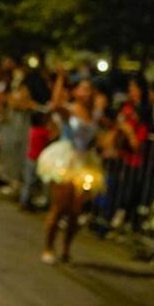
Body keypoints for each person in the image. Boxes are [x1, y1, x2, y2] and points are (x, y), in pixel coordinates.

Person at [38, 72, 105, 263]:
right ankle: (48, 246)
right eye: (83, 89)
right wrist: (60, 79)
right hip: (65, 159)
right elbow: (55, 106)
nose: (87, 93)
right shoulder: (70, 110)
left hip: (85, 162)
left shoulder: (95, 114)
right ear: (76, 92)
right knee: (59, 207)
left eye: (89, 89)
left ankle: (66, 248)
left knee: (76, 212)